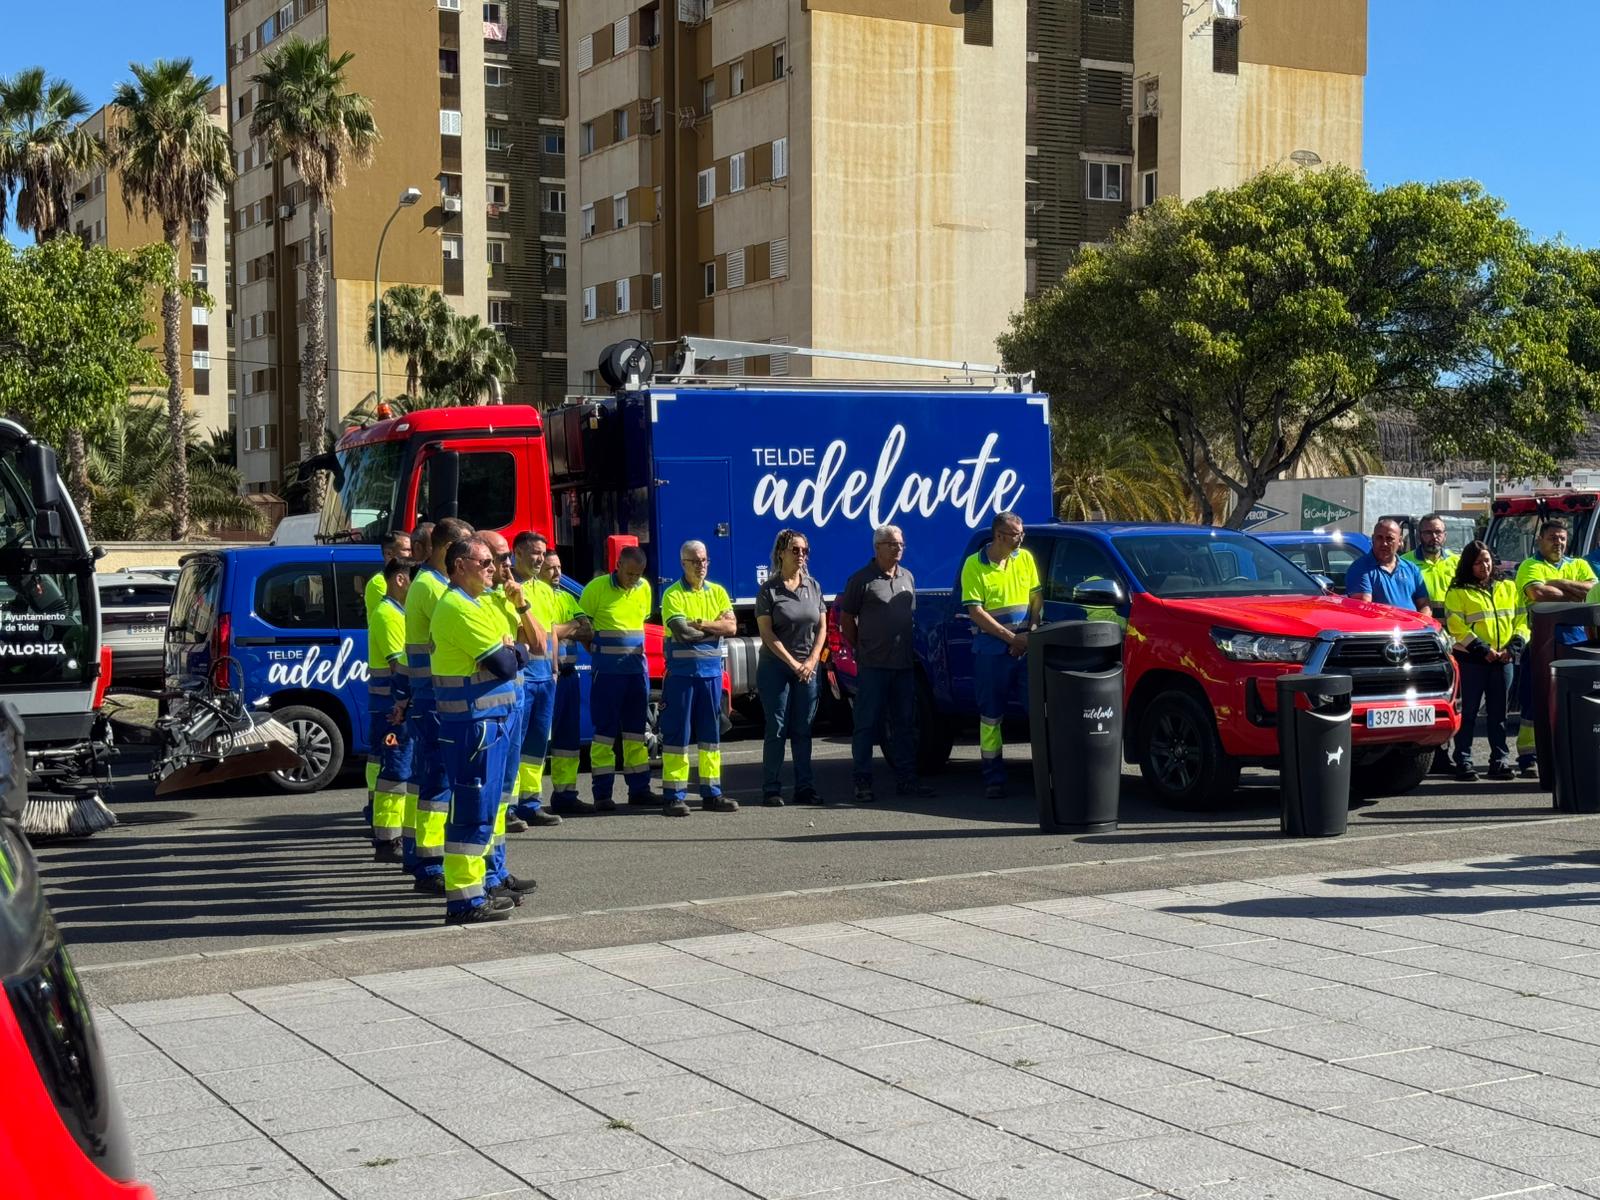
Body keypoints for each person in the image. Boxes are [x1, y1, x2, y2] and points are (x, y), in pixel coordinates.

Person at [433, 536, 529, 924]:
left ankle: (478, 889)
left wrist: (512, 651)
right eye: (485, 562)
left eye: (494, 561)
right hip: (473, 727)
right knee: (471, 812)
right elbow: (507, 663)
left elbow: (513, 653)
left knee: (484, 810)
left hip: (486, 725)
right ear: (459, 565)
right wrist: (513, 652)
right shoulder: (457, 606)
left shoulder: (474, 603)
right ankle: (464, 901)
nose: (494, 568)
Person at [402, 516, 473, 892]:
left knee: (427, 779)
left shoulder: (428, 583)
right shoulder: (434, 587)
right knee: (436, 781)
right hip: (434, 695)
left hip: (428, 692)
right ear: (448, 550)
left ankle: (419, 853)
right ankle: (429, 865)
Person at [475, 531, 546, 902]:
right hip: (492, 711)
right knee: (487, 798)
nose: (505, 566)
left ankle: (497, 869)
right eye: (498, 559)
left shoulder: (508, 596)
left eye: (505, 559)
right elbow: (505, 659)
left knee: (503, 797)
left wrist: (521, 606)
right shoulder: (480, 602)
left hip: (513, 704)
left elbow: (536, 645)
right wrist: (515, 648)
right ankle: (485, 873)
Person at [840, 524, 932, 804]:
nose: (899, 548)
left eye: (901, 544)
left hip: (903, 666)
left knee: (904, 725)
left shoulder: (908, 578)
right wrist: (861, 648)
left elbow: (910, 617)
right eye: (892, 544)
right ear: (877, 547)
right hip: (873, 666)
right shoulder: (861, 580)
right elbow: (847, 622)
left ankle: (907, 780)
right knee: (866, 725)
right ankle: (862, 781)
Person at [961, 512, 1042, 800]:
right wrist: (1011, 639)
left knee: (1039, 712)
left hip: (1025, 650)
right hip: (992, 653)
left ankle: (1046, 775)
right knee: (991, 718)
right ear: (998, 536)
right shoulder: (975, 565)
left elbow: (1036, 599)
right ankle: (993, 777)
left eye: (1021, 533)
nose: (1021, 538)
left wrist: (1029, 634)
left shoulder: (1025, 559)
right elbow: (976, 612)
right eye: (1015, 534)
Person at [659, 540, 739, 817]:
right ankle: (674, 796)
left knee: (711, 737)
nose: (701, 566)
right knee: (676, 737)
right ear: (683, 563)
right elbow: (682, 632)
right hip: (682, 676)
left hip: (712, 675)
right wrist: (715, 630)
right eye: (695, 561)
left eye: (705, 560)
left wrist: (703, 624)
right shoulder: (672, 594)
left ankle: (712, 793)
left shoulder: (717, 591)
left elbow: (732, 626)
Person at [1513, 520, 1597, 776]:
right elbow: (1539, 594)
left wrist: (1557, 581)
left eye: (1562, 538)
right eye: (1552, 537)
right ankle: (1529, 754)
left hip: (1578, 643)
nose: (1558, 542)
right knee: (1535, 700)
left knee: (1573, 702)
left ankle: (1567, 749)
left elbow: (1594, 591)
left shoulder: (1579, 564)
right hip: (1541, 642)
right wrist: (1574, 592)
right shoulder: (1530, 565)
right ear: (1540, 539)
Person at [755, 529, 827, 805]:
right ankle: (771, 788)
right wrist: (794, 662)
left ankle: (805, 787)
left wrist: (811, 661)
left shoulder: (813, 586)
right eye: (795, 550)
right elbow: (767, 633)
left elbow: (822, 627)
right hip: (777, 667)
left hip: (807, 668)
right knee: (776, 727)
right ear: (781, 553)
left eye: (804, 550)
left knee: (803, 728)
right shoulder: (769, 590)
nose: (800, 555)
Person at [580, 546, 654, 809]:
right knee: (604, 735)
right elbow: (582, 628)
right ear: (618, 564)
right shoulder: (596, 588)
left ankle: (639, 790)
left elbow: (639, 624)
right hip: (608, 674)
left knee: (636, 734)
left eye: (639, 574)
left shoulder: (643, 588)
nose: (634, 579)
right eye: (630, 573)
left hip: (636, 672)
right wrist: (598, 654)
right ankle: (602, 795)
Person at [1444, 541, 1524, 783]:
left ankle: (1499, 761)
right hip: (1472, 660)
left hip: (1503, 659)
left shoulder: (1508, 587)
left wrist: (1514, 646)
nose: (1484, 566)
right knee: (1467, 712)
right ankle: (1464, 760)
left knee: (1499, 714)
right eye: (1478, 562)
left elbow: (1521, 620)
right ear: (1469, 565)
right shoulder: (1458, 591)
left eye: (1487, 561)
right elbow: (1456, 626)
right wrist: (1482, 649)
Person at [505, 532, 564, 828]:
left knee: (537, 745)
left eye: (542, 553)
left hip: (545, 678)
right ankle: (509, 807)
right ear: (517, 552)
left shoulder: (543, 589)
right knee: (515, 744)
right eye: (534, 553)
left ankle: (530, 802)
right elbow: (524, 636)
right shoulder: (510, 589)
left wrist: (554, 669)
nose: (540, 558)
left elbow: (551, 633)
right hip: (522, 678)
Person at [365, 556, 413, 862]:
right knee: (394, 770)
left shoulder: (396, 612)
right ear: (399, 580)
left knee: (399, 768)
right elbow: (399, 666)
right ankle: (386, 840)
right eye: (412, 580)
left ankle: (392, 836)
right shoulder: (388, 615)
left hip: (395, 705)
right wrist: (406, 701)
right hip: (391, 708)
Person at [538, 550, 592, 813]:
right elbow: (552, 631)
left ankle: (566, 794)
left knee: (568, 742)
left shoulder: (567, 597)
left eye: (559, 567)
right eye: (550, 568)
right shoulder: (536, 596)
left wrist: (560, 629)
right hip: (546, 676)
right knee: (537, 741)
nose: (557, 573)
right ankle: (527, 802)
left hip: (569, 675)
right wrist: (567, 628)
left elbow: (588, 629)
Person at [1346, 518, 1430, 615]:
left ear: (1400, 541)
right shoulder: (1360, 569)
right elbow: (1364, 608)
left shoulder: (1411, 568)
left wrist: (1422, 624)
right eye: (1379, 538)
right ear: (1373, 539)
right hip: (1383, 629)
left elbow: (1424, 604)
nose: (1384, 543)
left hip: (1412, 628)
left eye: (1389, 539)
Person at [1401, 513, 1458, 612]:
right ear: (1419, 536)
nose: (1434, 537)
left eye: (1438, 532)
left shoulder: (1457, 562)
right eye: (1428, 532)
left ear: (1445, 536)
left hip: (1452, 625)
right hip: (1421, 624)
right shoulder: (1404, 563)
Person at [364, 530, 413, 617]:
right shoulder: (379, 583)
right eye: (407, 550)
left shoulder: (409, 577)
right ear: (389, 554)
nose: (411, 554)